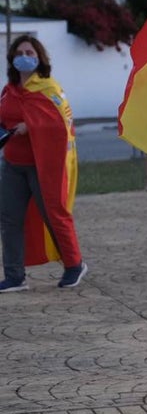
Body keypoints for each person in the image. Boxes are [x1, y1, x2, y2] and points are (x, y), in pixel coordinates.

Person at [0, 35, 88, 292]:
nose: (24, 57)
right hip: (13, 164)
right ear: (12, 59)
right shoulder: (9, 91)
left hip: (43, 166)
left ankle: (74, 264)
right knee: (9, 219)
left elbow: (61, 125)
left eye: (29, 52)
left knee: (54, 213)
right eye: (19, 53)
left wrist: (31, 126)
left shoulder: (50, 89)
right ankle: (15, 276)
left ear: (39, 59)